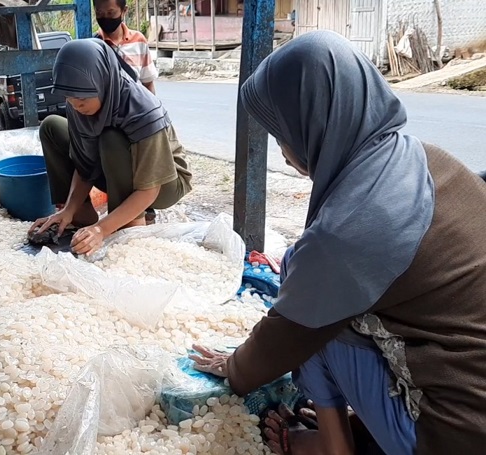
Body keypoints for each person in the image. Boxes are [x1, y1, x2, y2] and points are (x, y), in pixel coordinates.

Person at [189, 30, 486, 455]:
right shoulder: (418, 155)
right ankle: (363, 429)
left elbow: (283, 337)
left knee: (319, 312)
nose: (284, 148)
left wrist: (235, 368)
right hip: (471, 390)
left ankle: (331, 446)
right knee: (306, 271)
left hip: (458, 433)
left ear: (312, 122)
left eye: (281, 133)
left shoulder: (354, 225)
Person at [29, 39, 192, 255]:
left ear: (101, 82)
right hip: (113, 170)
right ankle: (80, 213)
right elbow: (85, 164)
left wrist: (102, 229)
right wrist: (69, 209)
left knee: (110, 138)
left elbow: (149, 189)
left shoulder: (143, 110)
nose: (76, 105)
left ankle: (131, 221)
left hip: (163, 183)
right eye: (69, 98)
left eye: (81, 98)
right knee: (52, 126)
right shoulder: (78, 106)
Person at [93, 0, 158, 94]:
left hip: (133, 108)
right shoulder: (93, 45)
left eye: (110, 13)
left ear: (124, 11)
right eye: (99, 13)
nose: (105, 17)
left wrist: (153, 107)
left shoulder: (139, 41)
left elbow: (148, 84)